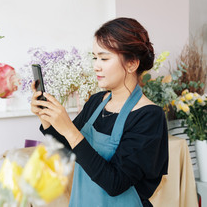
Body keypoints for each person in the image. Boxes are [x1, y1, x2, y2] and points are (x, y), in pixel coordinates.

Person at [30, 17, 168, 207]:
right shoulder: (97, 102)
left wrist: (70, 129)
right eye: (95, 58)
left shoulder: (149, 116)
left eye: (104, 58)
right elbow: (68, 151)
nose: (96, 65)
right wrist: (46, 117)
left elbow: (115, 184)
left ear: (132, 64)